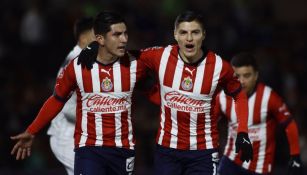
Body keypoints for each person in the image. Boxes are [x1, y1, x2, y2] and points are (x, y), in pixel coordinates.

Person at [69, 10, 254, 175]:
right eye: (183, 32)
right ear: (175, 35)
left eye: (195, 32)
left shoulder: (220, 66)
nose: (189, 38)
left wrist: (243, 132)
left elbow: (239, 95)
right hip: (167, 152)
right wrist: (92, 47)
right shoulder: (160, 56)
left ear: (203, 35)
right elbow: (123, 55)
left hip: (204, 153)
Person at [11, 11, 147, 175]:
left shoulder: (118, 60)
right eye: (95, 35)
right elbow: (61, 101)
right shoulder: (77, 62)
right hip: (68, 136)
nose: (123, 39)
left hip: (110, 143)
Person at [216, 52, 303, 175]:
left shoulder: (269, 97)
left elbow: (289, 124)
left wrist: (295, 155)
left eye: (247, 76)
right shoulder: (223, 97)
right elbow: (207, 123)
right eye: (237, 76)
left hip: (259, 167)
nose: (241, 81)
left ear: (256, 75)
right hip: (231, 161)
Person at [47, 17, 95, 175]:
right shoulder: (73, 62)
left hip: (81, 136)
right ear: (83, 38)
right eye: (97, 35)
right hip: (66, 136)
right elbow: (66, 108)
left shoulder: (89, 60)